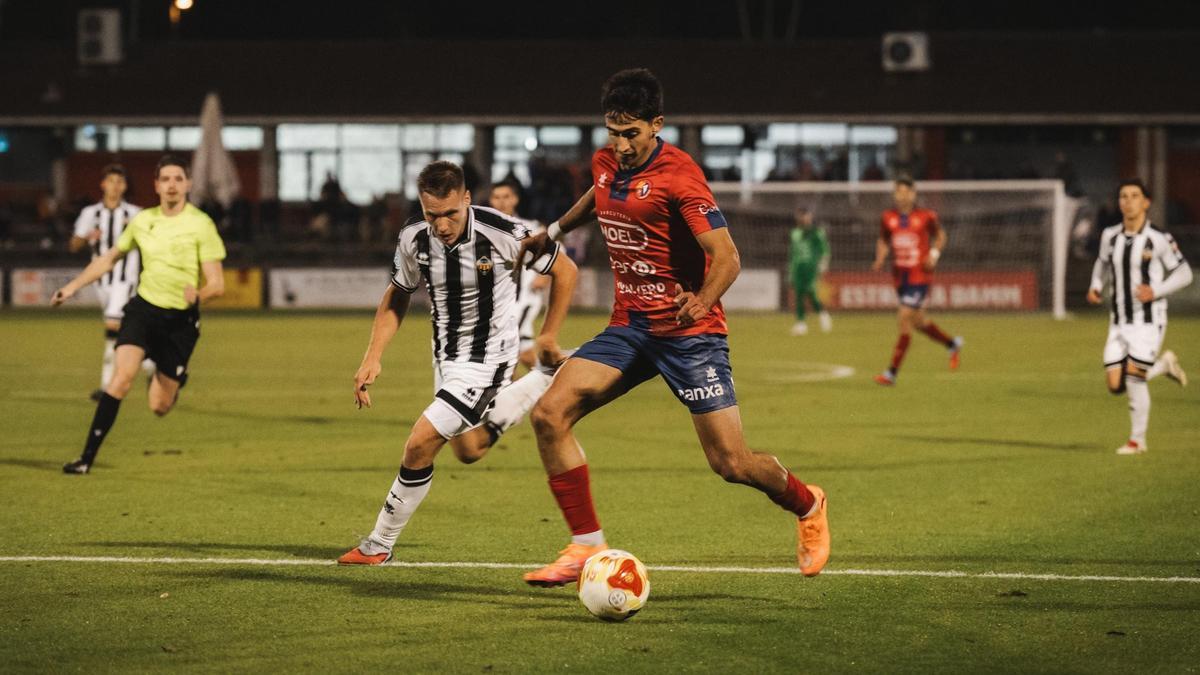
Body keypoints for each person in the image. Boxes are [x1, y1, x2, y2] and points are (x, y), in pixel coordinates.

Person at [513, 68, 830, 586]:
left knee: (730, 462)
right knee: (550, 415)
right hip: (630, 327)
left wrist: (701, 301)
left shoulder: (681, 176)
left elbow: (727, 257)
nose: (620, 146)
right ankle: (584, 546)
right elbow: (600, 193)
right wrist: (552, 232)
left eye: (631, 134)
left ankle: (807, 502)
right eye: (612, 134)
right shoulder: (606, 161)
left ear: (656, 124)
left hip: (690, 334)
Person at [337, 161, 577, 565]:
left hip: (490, 358)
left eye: (451, 213)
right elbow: (398, 294)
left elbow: (565, 269)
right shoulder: (414, 236)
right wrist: (372, 356)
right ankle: (543, 378)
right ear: (422, 205)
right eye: (433, 215)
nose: (442, 224)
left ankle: (377, 544)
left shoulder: (501, 232)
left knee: (420, 442)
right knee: (469, 449)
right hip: (446, 358)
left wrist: (548, 335)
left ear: (466, 199)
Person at [52, 155, 227, 474]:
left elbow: (217, 284)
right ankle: (85, 459)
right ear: (156, 186)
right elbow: (109, 258)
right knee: (120, 379)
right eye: (166, 180)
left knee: (159, 407)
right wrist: (73, 286)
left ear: (187, 184)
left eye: (178, 179)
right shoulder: (143, 221)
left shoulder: (201, 224)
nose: (172, 185)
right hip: (143, 311)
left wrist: (199, 294)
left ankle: (170, 376)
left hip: (180, 322)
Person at [1086, 179, 1191, 454]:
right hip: (1118, 321)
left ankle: (1137, 441)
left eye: (1134, 196)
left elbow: (1184, 274)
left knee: (1134, 377)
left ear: (1146, 202)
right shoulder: (1110, 236)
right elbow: (1102, 262)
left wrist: (1156, 290)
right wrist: (1096, 286)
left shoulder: (1158, 238)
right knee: (1114, 385)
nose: (1128, 201)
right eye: (1123, 196)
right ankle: (1164, 366)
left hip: (1148, 320)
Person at [871, 178, 963, 386]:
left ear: (914, 194)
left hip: (920, 276)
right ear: (894, 194)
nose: (903, 196)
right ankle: (952, 344)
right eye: (899, 192)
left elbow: (940, 235)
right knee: (919, 322)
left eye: (907, 192)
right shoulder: (888, 217)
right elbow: (884, 239)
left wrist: (934, 254)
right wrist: (880, 257)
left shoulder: (926, 216)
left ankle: (891, 373)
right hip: (900, 277)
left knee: (903, 318)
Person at [68, 164, 146, 400]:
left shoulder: (136, 214)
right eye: (111, 181)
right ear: (103, 184)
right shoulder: (90, 214)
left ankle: (106, 386)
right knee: (125, 332)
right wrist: (87, 236)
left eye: (119, 181)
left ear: (125, 186)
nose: (115, 186)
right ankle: (152, 362)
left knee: (112, 329)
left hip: (125, 279)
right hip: (101, 281)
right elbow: (74, 245)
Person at [488, 180, 551, 374]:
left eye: (506, 197)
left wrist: (544, 276)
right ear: (490, 201)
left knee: (506, 355)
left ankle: (509, 395)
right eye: (497, 197)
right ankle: (547, 386)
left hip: (524, 298)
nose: (502, 202)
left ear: (515, 199)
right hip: (497, 302)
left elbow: (557, 254)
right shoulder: (485, 229)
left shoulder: (530, 228)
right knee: (522, 353)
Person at [787, 207, 831, 335]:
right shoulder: (794, 233)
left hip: (811, 267)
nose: (803, 218)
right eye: (801, 216)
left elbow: (824, 249)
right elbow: (793, 253)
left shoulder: (816, 232)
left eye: (805, 215)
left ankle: (823, 314)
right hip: (798, 268)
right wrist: (791, 269)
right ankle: (801, 324)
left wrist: (824, 263)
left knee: (811, 292)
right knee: (799, 294)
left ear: (810, 217)